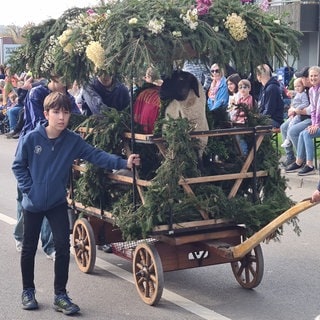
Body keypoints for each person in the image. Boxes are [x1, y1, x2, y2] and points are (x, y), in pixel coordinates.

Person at [12, 91, 141, 314]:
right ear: (46, 114)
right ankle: (28, 291)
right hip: (32, 204)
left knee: (63, 248)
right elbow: (18, 166)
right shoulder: (32, 138)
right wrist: (30, 190)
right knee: (29, 249)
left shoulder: (71, 141)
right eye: (56, 112)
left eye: (65, 112)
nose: (61, 117)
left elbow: (96, 155)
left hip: (56, 203)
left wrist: (123, 162)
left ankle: (60, 295)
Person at [13, 75, 81, 257]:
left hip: (54, 149)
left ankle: (50, 246)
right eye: (63, 78)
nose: (66, 83)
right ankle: (20, 236)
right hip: (33, 148)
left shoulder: (67, 97)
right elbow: (38, 122)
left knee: (50, 198)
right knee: (25, 198)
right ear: (54, 76)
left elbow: (78, 117)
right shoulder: (37, 93)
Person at [285, 65, 320, 175]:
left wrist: (316, 125)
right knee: (302, 133)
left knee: (306, 134)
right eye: (311, 76)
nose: (313, 78)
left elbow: (319, 108)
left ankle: (310, 165)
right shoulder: (311, 91)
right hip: (316, 122)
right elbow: (313, 110)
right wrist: (314, 124)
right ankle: (299, 161)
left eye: (316, 76)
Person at [280, 66, 312, 166]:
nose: (301, 81)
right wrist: (291, 109)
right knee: (284, 127)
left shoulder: (312, 90)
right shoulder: (305, 89)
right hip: (300, 115)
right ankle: (290, 157)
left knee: (293, 131)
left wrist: (296, 111)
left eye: (302, 78)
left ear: (307, 78)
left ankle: (301, 159)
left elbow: (311, 110)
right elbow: (295, 101)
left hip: (309, 118)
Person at [281, 77, 309, 148]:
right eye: (295, 86)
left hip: (299, 114)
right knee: (284, 126)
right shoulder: (298, 93)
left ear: (303, 86)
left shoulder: (303, 94)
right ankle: (290, 156)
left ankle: (288, 140)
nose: (297, 88)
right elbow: (295, 92)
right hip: (294, 113)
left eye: (299, 86)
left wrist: (297, 108)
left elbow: (306, 103)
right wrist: (291, 92)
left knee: (291, 125)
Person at [256, 64, 284, 128]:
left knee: (253, 126)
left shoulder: (271, 88)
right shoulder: (264, 87)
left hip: (274, 120)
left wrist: (257, 118)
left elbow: (268, 111)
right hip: (268, 118)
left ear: (259, 76)